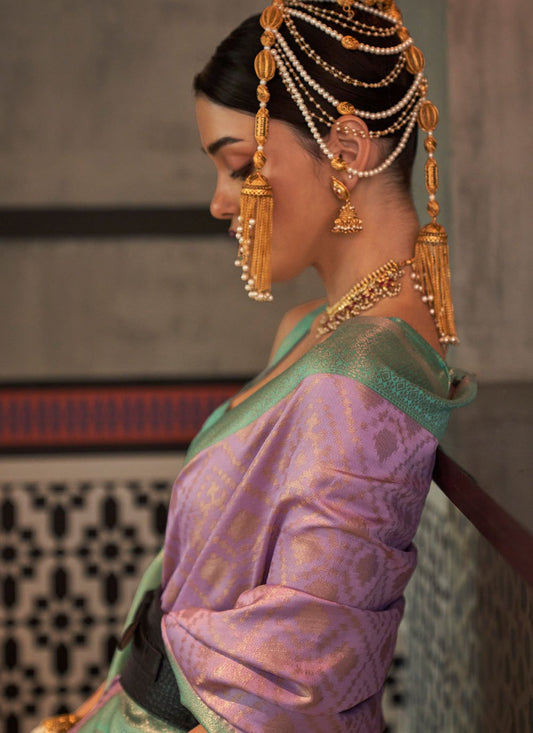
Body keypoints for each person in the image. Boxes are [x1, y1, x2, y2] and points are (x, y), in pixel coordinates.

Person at [34, 1, 475, 731]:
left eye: (239, 167)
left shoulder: (366, 371)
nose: (218, 203)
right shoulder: (312, 329)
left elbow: (294, 673)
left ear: (346, 147)